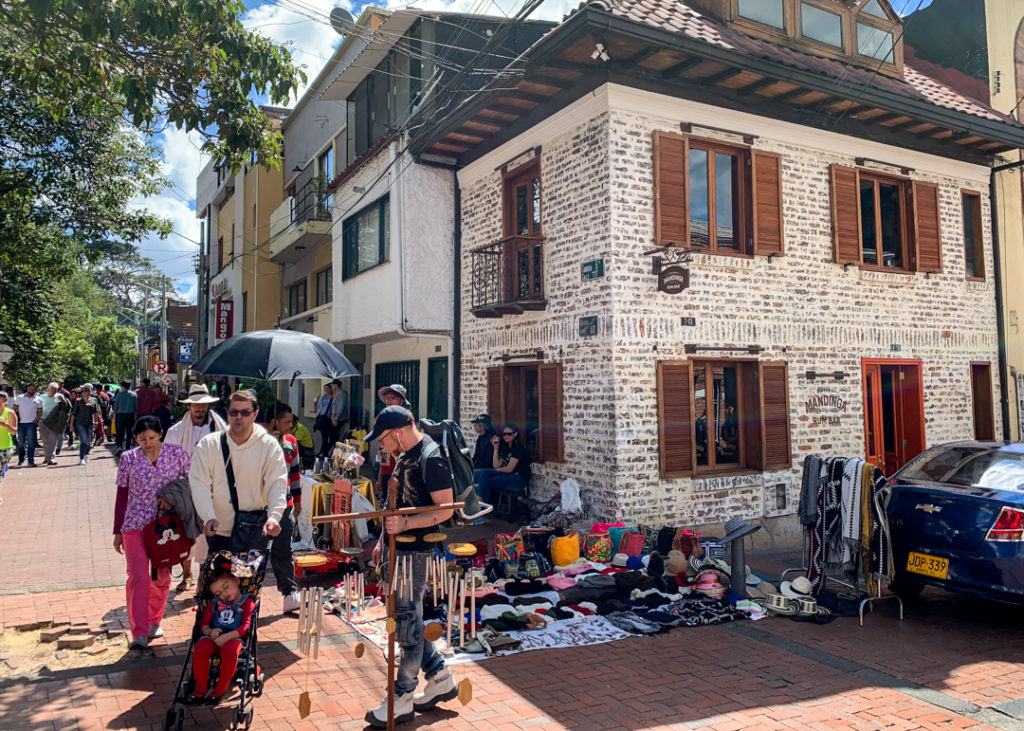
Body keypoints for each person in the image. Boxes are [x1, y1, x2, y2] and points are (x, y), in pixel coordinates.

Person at [363, 405, 458, 728]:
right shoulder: (405, 455)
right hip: (398, 547)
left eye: (384, 440)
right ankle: (439, 675)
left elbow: (445, 509)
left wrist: (405, 524)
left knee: (406, 619)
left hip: (416, 552)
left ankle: (402, 695)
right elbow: (397, 504)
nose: (382, 447)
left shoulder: (432, 457)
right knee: (408, 618)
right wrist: (381, 539)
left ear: (398, 433)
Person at [113, 415, 191, 650]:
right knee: (138, 576)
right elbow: (122, 496)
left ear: (161, 434)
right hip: (135, 524)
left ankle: (153, 621)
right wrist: (117, 530)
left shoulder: (177, 454)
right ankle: (138, 631)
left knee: (161, 576)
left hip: (165, 526)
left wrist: (173, 498)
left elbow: (192, 483)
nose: (147, 443)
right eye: (142, 438)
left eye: (152, 437)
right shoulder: (128, 458)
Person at [188, 389, 287, 557]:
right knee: (218, 582)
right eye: (234, 412)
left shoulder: (269, 446)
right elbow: (199, 483)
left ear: (255, 414)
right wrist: (208, 515)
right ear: (227, 414)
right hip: (217, 528)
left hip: (253, 530)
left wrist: (274, 516)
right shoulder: (209, 445)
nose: (239, 416)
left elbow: (277, 483)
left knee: (248, 583)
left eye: (245, 412)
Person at [165, 383, 227, 592]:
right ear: (189, 406)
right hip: (184, 490)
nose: (200, 409)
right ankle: (187, 572)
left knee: (206, 533)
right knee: (184, 534)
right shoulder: (175, 433)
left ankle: (202, 576)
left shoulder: (221, 431)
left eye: (203, 405)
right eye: (195, 405)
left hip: (212, 488)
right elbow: (167, 464)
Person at [189, 566, 255, 704]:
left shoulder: (247, 603)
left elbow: (245, 627)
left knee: (231, 651)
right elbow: (204, 624)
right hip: (213, 638)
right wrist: (210, 632)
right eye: (218, 593)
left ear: (236, 581)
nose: (224, 594)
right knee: (200, 647)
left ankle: (220, 689)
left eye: (226, 587)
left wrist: (227, 636)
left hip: (234, 638)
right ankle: (201, 688)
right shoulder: (214, 604)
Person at [264, 403, 304, 612]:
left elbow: (295, 472)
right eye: (287, 421)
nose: (291, 425)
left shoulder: (291, 442)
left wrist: (297, 500)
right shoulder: (258, 440)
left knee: (283, 549)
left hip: (285, 504)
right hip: (260, 505)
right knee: (257, 551)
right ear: (275, 421)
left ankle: (289, 591)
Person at [473, 422, 530, 503]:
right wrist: (495, 448)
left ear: (515, 434)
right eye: (504, 434)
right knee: (483, 473)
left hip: (518, 478)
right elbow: (496, 465)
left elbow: (509, 469)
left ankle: (480, 503)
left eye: (509, 434)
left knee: (485, 482)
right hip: (508, 475)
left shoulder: (518, 448)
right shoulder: (506, 447)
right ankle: (480, 502)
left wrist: (497, 470)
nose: (506, 436)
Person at [373, 385, 411, 499]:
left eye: (393, 398)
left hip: (399, 476)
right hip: (386, 473)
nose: (388, 400)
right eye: (387, 398)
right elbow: (383, 452)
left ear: (401, 401)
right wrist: (380, 478)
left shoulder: (405, 421)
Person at [270, 402, 314, 469]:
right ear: (275, 423)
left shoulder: (299, 428)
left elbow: (294, 474)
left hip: (307, 450)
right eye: (288, 422)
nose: (290, 425)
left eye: (291, 421)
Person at [69, 384, 102, 465]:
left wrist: (96, 421)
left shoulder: (94, 400)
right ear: (82, 393)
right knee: (83, 440)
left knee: (88, 441)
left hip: (90, 423)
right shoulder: (78, 402)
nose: (87, 393)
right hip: (80, 423)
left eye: (88, 391)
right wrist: (71, 424)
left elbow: (95, 412)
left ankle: (86, 454)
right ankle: (81, 458)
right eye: (85, 391)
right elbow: (73, 414)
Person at [39, 382, 70, 465]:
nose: (53, 391)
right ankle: (47, 457)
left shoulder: (60, 396)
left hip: (55, 422)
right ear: (48, 389)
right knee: (45, 440)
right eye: (52, 389)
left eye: (55, 390)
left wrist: (63, 401)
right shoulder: (41, 397)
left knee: (53, 440)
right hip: (43, 420)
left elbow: (65, 407)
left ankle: (51, 458)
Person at [12, 383, 42, 467]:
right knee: (21, 443)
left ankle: (30, 461)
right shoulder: (20, 398)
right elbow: (14, 409)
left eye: (33, 389)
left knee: (31, 443)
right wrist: (15, 419)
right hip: (21, 423)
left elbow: (40, 412)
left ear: (36, 390)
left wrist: (35, 420)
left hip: (31, 424)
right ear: (27, 388)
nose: (31, 391)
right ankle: (21, 459)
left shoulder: (38, 399)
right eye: (30, 389)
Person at [112, 381, 138, 456]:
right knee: (129, 431)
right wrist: (135, 417)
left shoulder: (119, 394)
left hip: (120, 415)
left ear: (123, 386)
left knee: (120, 431)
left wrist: (114, 416)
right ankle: (128, 447)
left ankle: (119, 446)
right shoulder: (134, 394)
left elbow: (116, 406)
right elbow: (136, 407)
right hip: (130, 415)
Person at [0, 392, 18, 483]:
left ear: (5, 402)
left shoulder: (10, 413)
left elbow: (14, 431)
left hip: (5, 447)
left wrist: (6, 425)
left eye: (0, 403)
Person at [328, 379, 349, 451]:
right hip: (334, 418)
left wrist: (336, 418)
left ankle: (328, 451)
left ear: (336, 385)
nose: (332, 386)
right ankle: (334, 451)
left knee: (334, 435)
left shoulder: (341, 393)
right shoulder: (336, 393)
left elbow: (341, 407)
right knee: (334, 436)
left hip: (339, 418)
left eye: (333, 385)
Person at [314, 384, 333, 457]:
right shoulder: (322, 397)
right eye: (325, 389)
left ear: (330, 389)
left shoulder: (332, 397)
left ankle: (325, 451)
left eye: (328, 388)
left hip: (329, 419)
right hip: (322, 418)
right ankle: (323, 451)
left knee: (330, 437)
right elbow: (319, 408)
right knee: (324, 437)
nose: (326, 390)